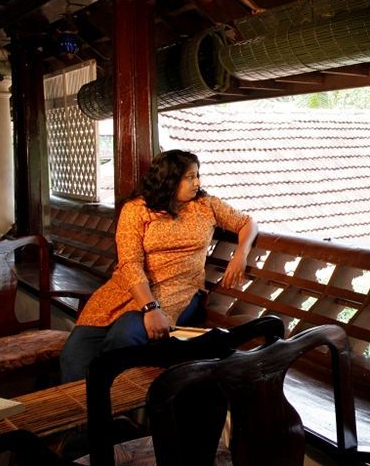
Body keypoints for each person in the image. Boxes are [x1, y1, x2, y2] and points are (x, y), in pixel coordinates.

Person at [59, 150, 258, 382]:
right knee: (74, 352)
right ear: (169, 179)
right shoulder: (136, 209)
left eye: (198, 175)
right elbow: (130, 262)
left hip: (178, 291)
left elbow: (247, 222)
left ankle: (114, 405)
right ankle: (81, 412)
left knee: (123, 337)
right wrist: (150, 308)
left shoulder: (206, 205)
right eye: (190, 177)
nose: (197, 182)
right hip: (127, 289)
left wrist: (240, 254)